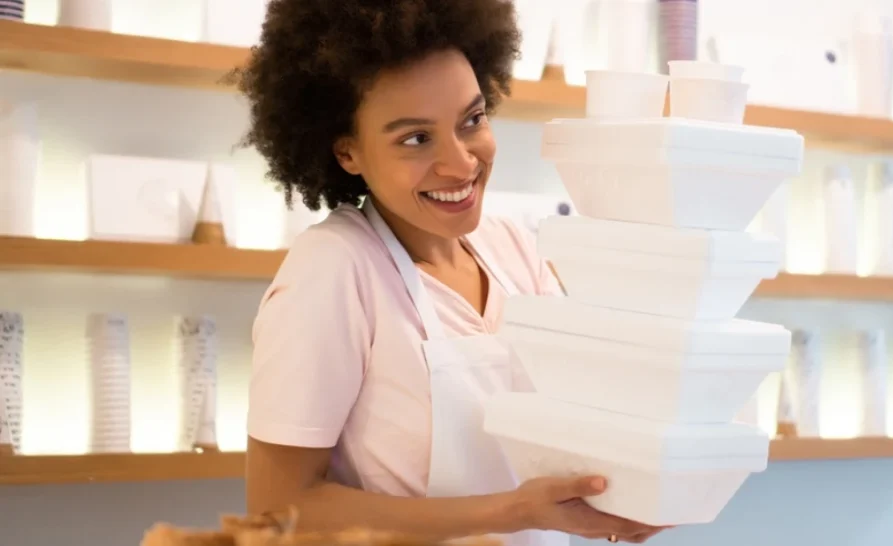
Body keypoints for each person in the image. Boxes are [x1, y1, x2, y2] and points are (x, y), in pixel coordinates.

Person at [237, 1, 666, 545]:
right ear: (348, 152)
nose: (461, 163)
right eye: (416, 139)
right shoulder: (334, 270)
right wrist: (513, 512)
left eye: (472, 120)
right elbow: (279, 506)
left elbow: (573, 421)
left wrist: (626, 491)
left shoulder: (513, 249)